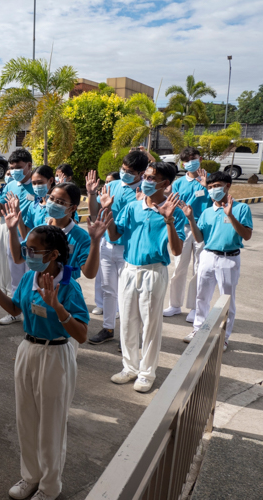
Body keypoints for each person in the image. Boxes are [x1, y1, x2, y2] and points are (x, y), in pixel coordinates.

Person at [0, 226, 88, 500]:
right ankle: (30, 477)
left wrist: (58, 307)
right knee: (26, 419)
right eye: (27, 250)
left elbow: (81, 334)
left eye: (34, 250)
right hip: (28, 349)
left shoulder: (69, 286)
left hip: (56, 354)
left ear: (54, 254)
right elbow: (14, 309)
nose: (29, 255)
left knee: (51, 424)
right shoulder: (28, 279)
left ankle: (49, 486)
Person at [104, 162, 185, 392]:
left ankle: (147, 373)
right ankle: (130, 367)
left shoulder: (174, 211)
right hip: (129, 269)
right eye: (146, 177)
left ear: (165, 184)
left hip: (153, 271)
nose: (146, 181)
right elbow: (115, 234)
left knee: (150, 325)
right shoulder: (132, 207)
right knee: (128, 322)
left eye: (152, 178)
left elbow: (176, 250)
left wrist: (168, 219)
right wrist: (108, 211)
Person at [85, 150, 150, 346]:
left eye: (130, 171)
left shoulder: (144, 192)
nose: (125, 173)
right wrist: (91, 193)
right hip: (106, 244)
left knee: (129, 294)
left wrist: (141, 204)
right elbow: (94, 212)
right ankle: (108, 328)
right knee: (108, 289)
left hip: (128, 248)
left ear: (141, 173)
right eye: (123, 169)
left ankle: (129, 336)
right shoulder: (111, 186)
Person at [183, 171, 252, 352]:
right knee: (202, 295)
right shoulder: (207, 212)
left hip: (229, 258)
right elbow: (199, 238)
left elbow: (246, 235)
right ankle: (197, 329)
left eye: (217, 186)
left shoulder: (241, 209)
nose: (214, 189)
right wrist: (191, 218)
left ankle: (224, 337)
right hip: (208, 256)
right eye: (211, 187)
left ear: (227, 186)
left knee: (226, 300)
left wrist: (230, 215)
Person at [0, 149, 35, 326]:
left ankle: (33, 314)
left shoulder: (37, 185)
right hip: (14, 237)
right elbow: (0, 212)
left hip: (35, 240)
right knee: (16, 277)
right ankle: (15, 312)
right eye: (11, 167)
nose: (14, 171)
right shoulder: (11, 185)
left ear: (29, 166)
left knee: (34, 277)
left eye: (18, 167)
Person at [163, 147, 210, 322]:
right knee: (178, 267)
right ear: (183, 164)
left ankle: (195, 307)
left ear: (200, 158)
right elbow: (172, 204)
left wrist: (206, 185)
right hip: (182, 228)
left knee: (199, 269)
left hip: (201, 228)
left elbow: (218, 201)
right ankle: (175, 305)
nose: (191, 162)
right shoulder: (178, 183)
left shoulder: (209, 179)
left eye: (194, 158)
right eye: (187, 160)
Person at [92, 171, 121, 316]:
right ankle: (100, 304)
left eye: (111, 182)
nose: (108, 184)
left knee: (116, 281)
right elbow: (93, 213)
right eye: (107, 181)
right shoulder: (103, 195)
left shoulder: (119, 196)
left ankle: (116, 308)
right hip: (103, 238)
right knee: (101, 276)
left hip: (117, 239)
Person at [0, 171, 14, 296]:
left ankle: (11, 290)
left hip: (15, 225)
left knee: (11, 258)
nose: (10, 175)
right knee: (1, 256)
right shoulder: (1, 190)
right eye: (8, 172)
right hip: (2, 224)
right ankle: (1, 288)